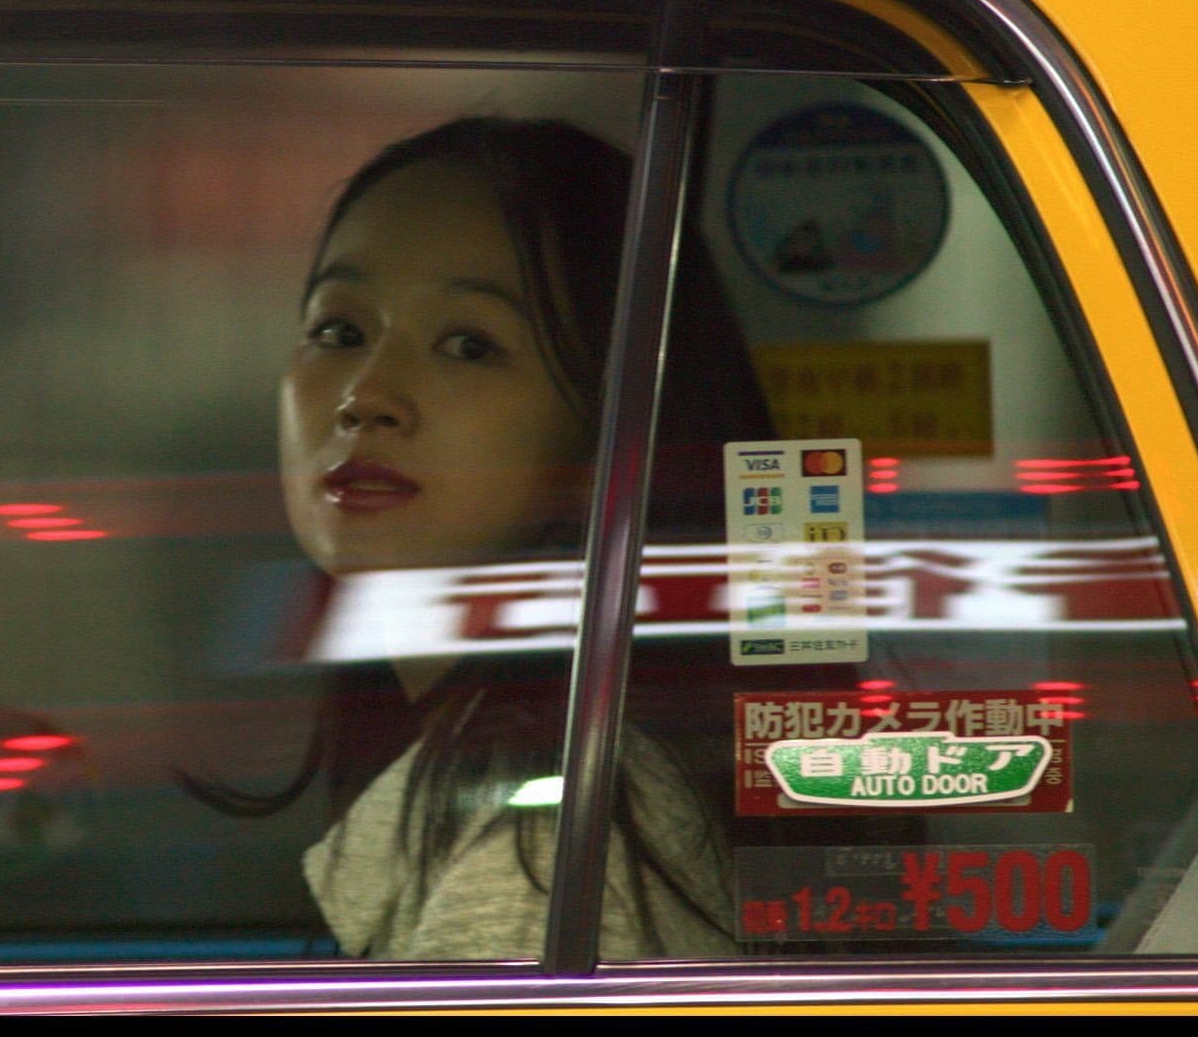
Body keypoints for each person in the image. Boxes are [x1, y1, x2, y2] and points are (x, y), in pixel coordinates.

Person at [183, 116, 772, 960]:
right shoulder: (499, 777)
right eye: (339, 331)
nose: (365, 394)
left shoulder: (541, 850)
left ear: (611, 426)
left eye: (468, 345)